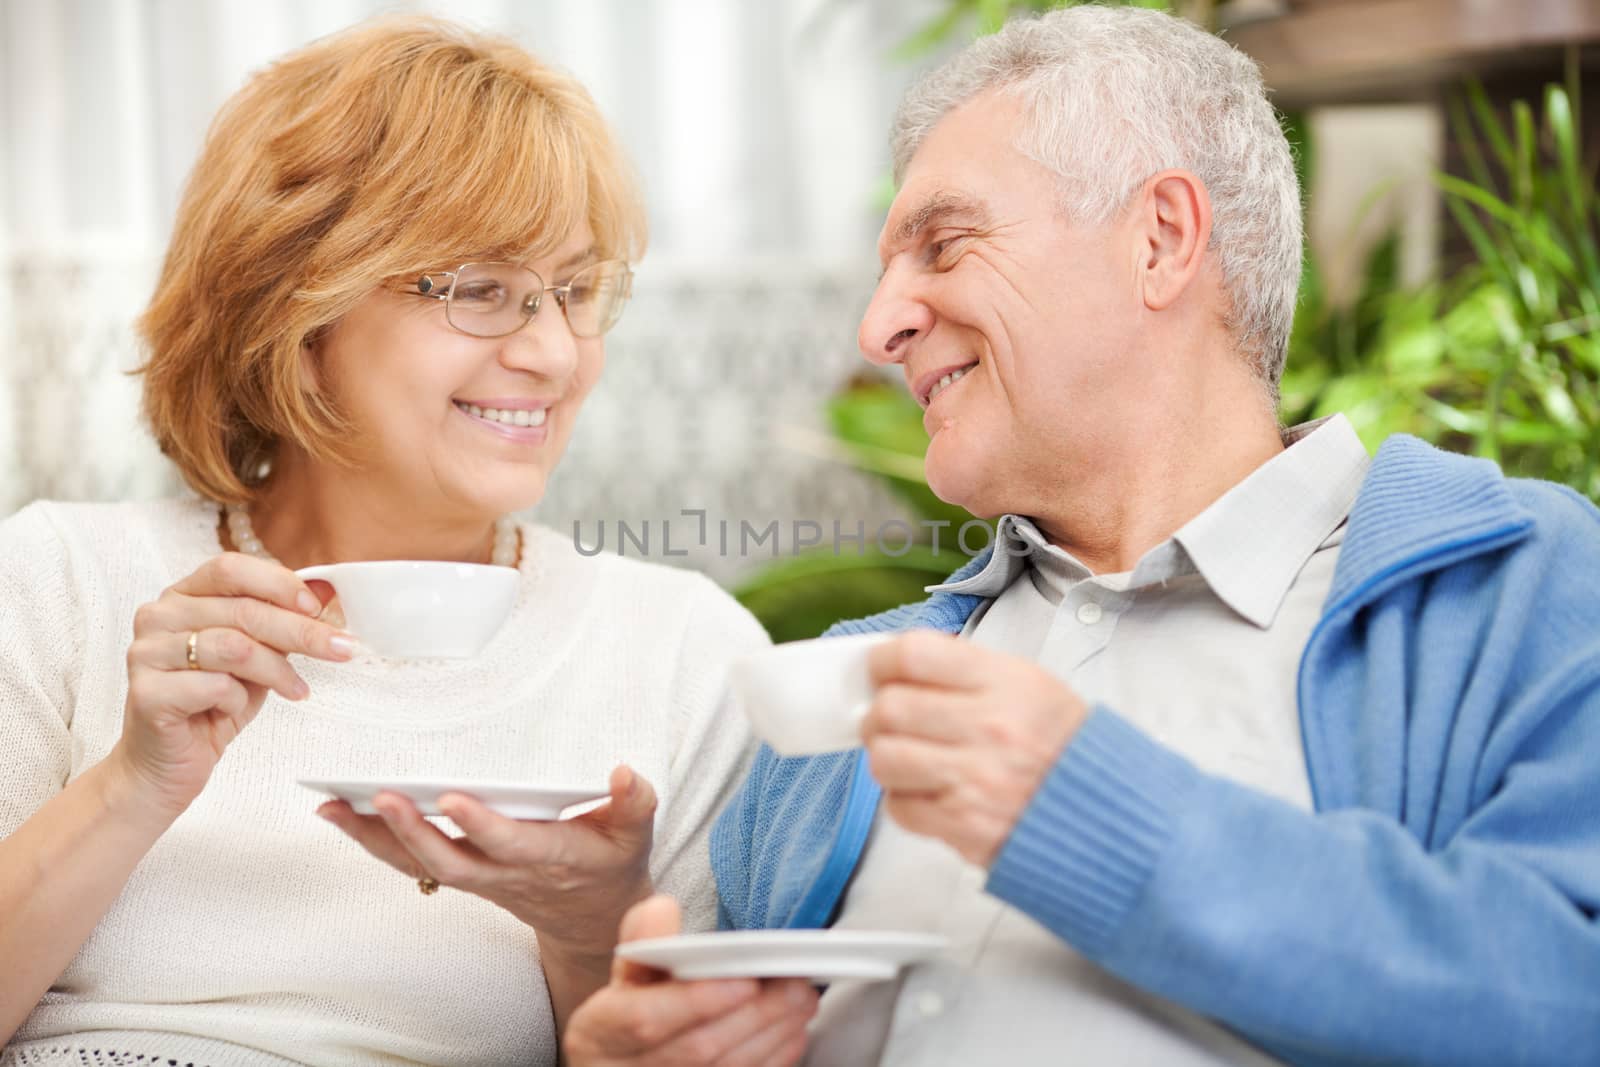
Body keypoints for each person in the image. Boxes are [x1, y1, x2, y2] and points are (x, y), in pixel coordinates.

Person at [564, 6, 1600, 1066]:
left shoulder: (1519, 586)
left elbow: (1567, 994)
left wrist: (1090, 813)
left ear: (1158, 240)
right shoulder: (849, 691)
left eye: (945, 243)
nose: (877, 329)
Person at [0, 18, 773, 1066]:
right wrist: (134, 783)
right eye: (478, 287)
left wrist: (592, 922)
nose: (553, 352)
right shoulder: (59, 582)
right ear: (298, 316)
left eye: (576, 291)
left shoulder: (680, 650)